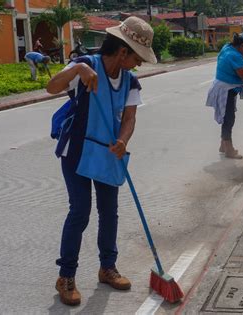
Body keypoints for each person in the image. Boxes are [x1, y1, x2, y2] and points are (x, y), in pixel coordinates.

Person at [46, 16, 156, 306]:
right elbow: (51, 87)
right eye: (137, 57)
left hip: (107, 152)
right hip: (78, 151)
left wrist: (123, 141)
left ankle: (108, 267)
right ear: (123, 52)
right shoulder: (86, 65)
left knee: (109, 211)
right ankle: (65, 276)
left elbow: (130, 118)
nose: (139, 64)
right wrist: (77, 69)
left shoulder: (131, 81)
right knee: (80, 211)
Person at [206, 33, 243, 159]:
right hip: (226, 90)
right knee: (229, 119)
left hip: (223, 88)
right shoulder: (235, 56)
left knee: (226, 118)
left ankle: (223, 145)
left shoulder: (227, 48)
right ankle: (229, 149)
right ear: (241, 45)